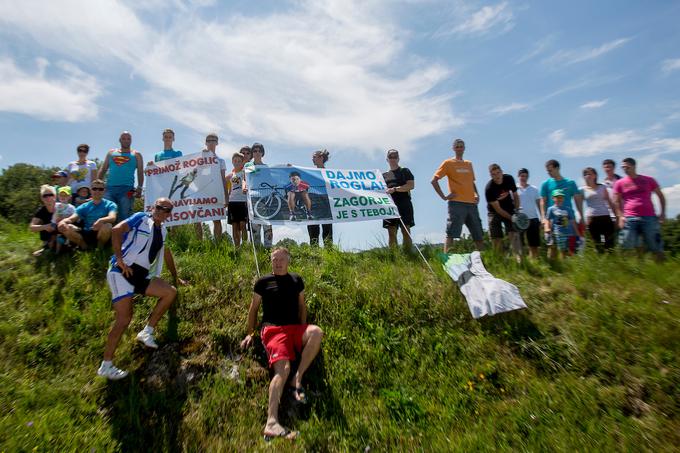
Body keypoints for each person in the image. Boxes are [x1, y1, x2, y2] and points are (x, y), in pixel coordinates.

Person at [240, 247, 323, 441]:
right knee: (282, 369)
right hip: (274, 331)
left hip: (294, 329)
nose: (277, 263)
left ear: (288, 261)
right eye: (274, 259)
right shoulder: (263, 282)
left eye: (281, 259)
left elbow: (302, 306)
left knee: (316, 332)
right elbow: (253, 310)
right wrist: (250, 334)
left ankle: (298, 378)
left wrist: (302, 331)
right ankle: (271, 422)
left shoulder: (296, 280)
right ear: (271, 261)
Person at [97, 198, 185, 380]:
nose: (162, 212)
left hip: (141, 275)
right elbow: (116, 230)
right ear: (153, 207)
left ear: (170, 214)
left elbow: (167, 254)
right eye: (160, 207)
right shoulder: (141, 218)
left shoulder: (164, 230)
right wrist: (119, 259)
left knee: (170, 292)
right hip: (122, 271)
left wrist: (176, 277)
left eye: (167, 210)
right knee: (124, 318)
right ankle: (106, 365)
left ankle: (147, 332)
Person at [431, 138, 484, 252]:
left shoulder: (468, 164)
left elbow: (472, 182)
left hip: (471, 204)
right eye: (457, 146)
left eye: (461, 146)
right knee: (451, 233)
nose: (459, 148)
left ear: (464, 148)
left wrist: (477, 194)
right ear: (454, 148)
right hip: (456, 203)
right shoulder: (448, 163)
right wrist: (444, 196)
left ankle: (484, 259)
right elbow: (434, 180)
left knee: (478, 234)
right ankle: (447, 258)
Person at [613, 157, 666, 261]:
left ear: (634, 166)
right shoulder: (620, 183)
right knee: (626, 244)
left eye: (627, 167)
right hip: (629, 217)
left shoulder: (648, 180)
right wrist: (620, 217)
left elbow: (661, 196)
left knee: (654, 244)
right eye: (623, 167)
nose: (625, 169)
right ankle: (629, 270)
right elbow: (616, 201)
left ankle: (661, 269)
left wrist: (662, 213)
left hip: (649, 216)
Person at [58, 179, 117, 250]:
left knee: (108, 225)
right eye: (94, 189)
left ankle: (100, 247)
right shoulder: (84, 206)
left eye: (100, 189)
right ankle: (84, 247)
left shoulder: (110, 204)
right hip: (87, 232)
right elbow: (72, 218)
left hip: (101, 232)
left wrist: (101, 220)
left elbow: (112, 217)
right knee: (66, 227)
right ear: (91, 191)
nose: (97, 191)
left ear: (104, 191)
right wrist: (63, 222)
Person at [98, 131, 144, 221]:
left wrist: (140, 187)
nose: (126, 140)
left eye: (128, 139)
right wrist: (97, 184)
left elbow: (140, 172)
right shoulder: (111, 153)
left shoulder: (136, 155)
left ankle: (123, 235)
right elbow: (103, 169)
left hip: (127, 189)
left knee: (124, 216)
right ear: (120, 140)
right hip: (109, 189)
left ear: (131, 140)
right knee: (106, 215)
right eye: (123, 138)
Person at [195, 133, 228, 241]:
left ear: (217, 143)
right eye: (209, 140)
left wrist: (226, 196)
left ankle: (217, 244)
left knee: (216, 219)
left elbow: (223, 179)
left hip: (215, 193)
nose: (211, 142)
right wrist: (203, 158)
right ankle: (199, 244)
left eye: (213, 140)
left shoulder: (221, 161)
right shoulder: (198, 159)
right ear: (205, 143)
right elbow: (195, 174)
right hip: (201, 192)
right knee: (197, 219)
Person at [484, 163, 521, 260]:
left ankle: (519, 259)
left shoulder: (509, 179)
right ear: (491, 176)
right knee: (496, 238)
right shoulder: (489, 188)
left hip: (509, 207)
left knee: (514, 233)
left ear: (502, 172)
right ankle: (500, 260)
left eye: (498, 173)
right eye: (494, 174)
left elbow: (516, 196)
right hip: (494, 212)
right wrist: (511, 218)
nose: (497, 176)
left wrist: (517, 212)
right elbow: (498, 209)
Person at [539, 159, 584, 235]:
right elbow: (543, 201)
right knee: (553, 244)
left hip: (569, 218)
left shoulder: (570, 183)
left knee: (571, 243)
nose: (549, 173)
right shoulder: (545, 184)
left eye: (550, 170)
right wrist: (543, 217)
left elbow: (578, 201)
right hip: (552, 219)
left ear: (557, 168)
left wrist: (581, 216)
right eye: (547, 171)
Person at [382, 149, 415, 250]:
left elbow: (411, 185)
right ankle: (394, 256)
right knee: (391, 232)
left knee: (406, 231)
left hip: (404, 204)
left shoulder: (405, 171)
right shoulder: (383, 175)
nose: (393, 158)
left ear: (398, 158)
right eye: (390, 156)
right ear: (387, 159)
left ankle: (408, 254)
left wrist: (396, 189)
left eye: (395, 156)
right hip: (389, 205)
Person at [581, 167, 616, 253]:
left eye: (590, 173)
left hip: (605, 217)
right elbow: (579, 205)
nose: (588, 176)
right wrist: (582, 219)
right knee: (597, 243)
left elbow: (609, 202)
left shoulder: (602, 187)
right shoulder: (582, 190)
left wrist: (615, 215)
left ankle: (611, 262)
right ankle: (600, 262)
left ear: (595, 175)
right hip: (592, 218)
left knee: (609, 242)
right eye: (586, 174)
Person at [246, 143, 273, 248]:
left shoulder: (266, 167)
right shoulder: (249, 166)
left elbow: (271, 180)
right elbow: (248, 180)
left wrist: (287, 167)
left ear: (262, 153)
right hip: (254, 199)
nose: (257, 153)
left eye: (259, 151)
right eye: (255, 151)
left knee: (267, 225)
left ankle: (267, 250)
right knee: (255, 226)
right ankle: (256, 250)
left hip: (266, 199)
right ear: (252, 153)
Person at [307, 149, 333, 247]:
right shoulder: (309, 173)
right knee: (313, 230)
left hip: (326, 205)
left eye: (314, 157)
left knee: (327, 231)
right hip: (312, 204)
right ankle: (314, 255)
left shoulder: (329, 173)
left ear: (321, 158)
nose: (312, 159)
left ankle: (329, 254)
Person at [545, 189, 581, 258]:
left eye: (561, 197)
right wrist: (547, 228)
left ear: (563, 198)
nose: (559, 199)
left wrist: (577, 233)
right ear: (553, 198)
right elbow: (547, 220)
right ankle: (562, 264)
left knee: (571, 252)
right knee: (561, 250)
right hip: (559, 233)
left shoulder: (568, 209)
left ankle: (569, 265)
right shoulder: (551, 209)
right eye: (557, 197)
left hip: (569, 233)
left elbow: (573, 221)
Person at [516, 168, 541, 259]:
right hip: (519, 219)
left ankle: (534, 261)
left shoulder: (534, 189)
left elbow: (539, 203)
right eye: (522, 176)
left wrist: (542, 217)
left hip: (533, 218)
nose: (524, 178)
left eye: (526, 176)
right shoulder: (515, 189)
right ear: (518, 176)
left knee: (534, 244)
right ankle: (522, 262)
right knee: (520, 243)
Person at [226, 151, 248, 247]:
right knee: (235, 226)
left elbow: (244, 181)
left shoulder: (245, 173)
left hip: (243, 201)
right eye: (235, 160)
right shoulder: (230, 175)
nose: (237, 162)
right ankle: (237, 248)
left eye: (239, 161)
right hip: (232, 202)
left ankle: (245, 246)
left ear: (242, 162)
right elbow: (226, 187)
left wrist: (244, 187)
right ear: (232, 161)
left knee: (243, 225)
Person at [29, 185, 58, 256]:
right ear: (42, 198)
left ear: (55, 196)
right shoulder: (41, 211)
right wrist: (45, 227)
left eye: (50, 195)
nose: (48, 197)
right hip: (49, 235)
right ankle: (47, 247)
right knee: (42, 224)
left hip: (61, 233)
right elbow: (31, 227)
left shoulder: (61, 207)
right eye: (45, 196)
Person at [52, 186, 76, 253]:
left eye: (65, 195)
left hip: (66, 225)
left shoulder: (71, 207)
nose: (63, 197)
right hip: (55, 224)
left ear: (69, 197)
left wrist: (65, 217)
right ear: (58, 196)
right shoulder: (56, 205)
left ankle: (68, 246)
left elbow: (74, 217)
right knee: (57, 236)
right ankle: (56, 251)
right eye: (61, 195)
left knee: (65, 233)